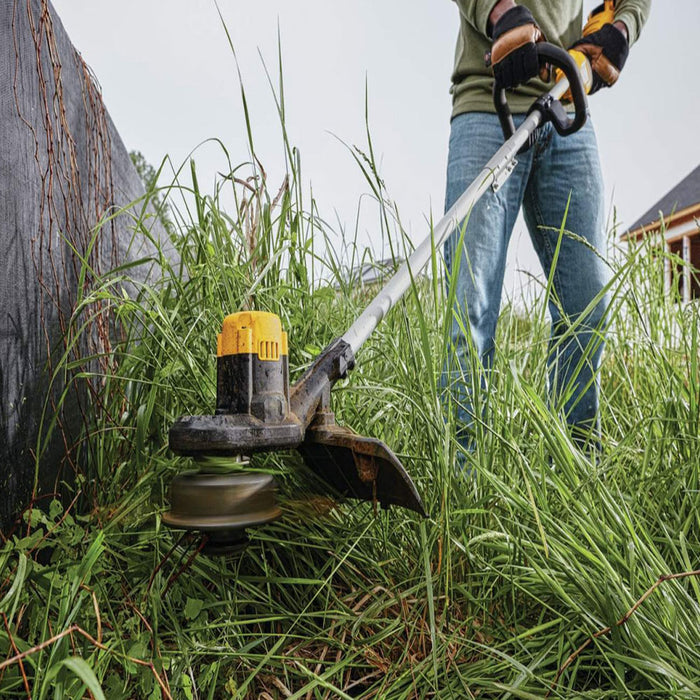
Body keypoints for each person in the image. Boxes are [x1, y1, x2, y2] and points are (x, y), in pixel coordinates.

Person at [443, 0, 650, 459]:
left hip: (566, 103)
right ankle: (457, 488)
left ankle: (575, 477)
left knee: (587, 304)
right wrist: (501, 14)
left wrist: (620, 28)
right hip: (486, 99)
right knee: (469, 308)